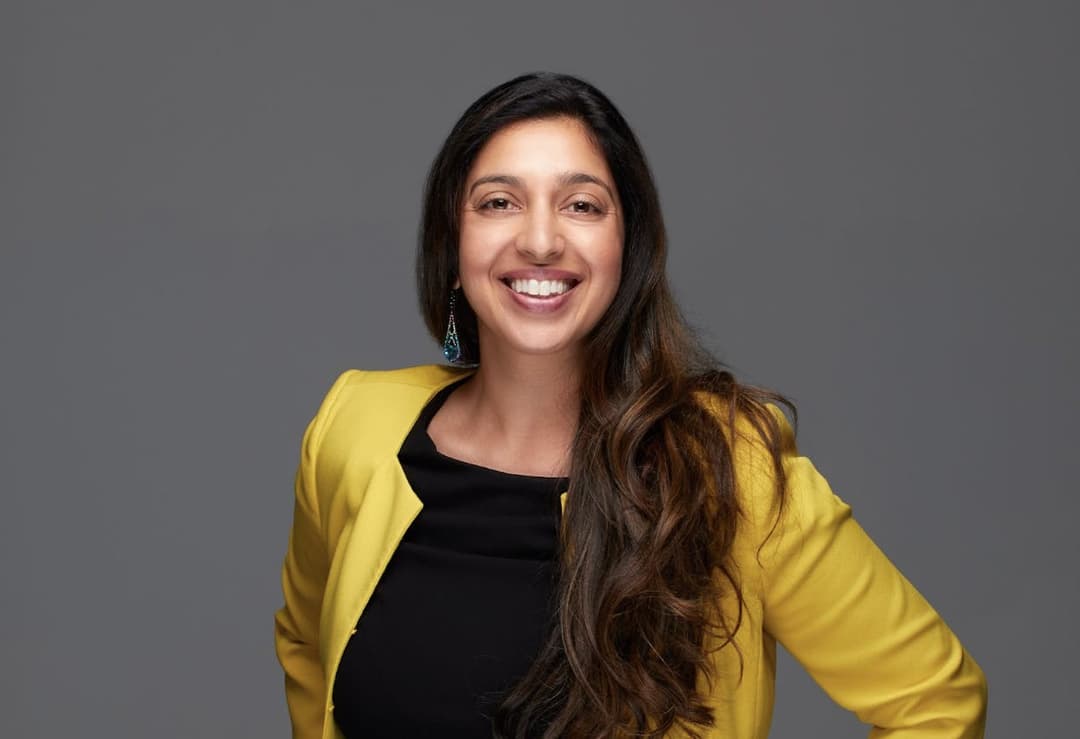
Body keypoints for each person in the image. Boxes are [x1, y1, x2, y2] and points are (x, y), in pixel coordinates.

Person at [273, 71, 988, 739]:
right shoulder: (355, 427)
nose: (542, 239)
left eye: (582, 204)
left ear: (629, 246)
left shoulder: (727, 470)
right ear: (451, 242)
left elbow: (935, 697)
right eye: (499, 201)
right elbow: (306, 644)